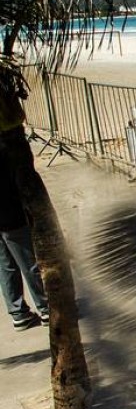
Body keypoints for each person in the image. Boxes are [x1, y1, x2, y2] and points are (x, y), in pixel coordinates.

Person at [1, 138, 49, 332]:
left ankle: (18, 312)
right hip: (10, 214)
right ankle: (46, 306)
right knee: (29, 261)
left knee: (6, 266)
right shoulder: (5, 149)